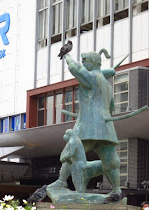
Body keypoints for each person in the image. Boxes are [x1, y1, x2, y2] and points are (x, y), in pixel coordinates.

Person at [47, 49, 121, 196]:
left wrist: (66, 56)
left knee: (71, 152)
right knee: (111, 161)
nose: (83, 63)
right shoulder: (107, 85)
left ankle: (62, 181)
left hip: (88, 126)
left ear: (93, 62)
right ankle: (116, 189)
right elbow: (111, 107)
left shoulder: (92, 77)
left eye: (85, 60)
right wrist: (105, 73)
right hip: (105, 127)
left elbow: (75, 68)